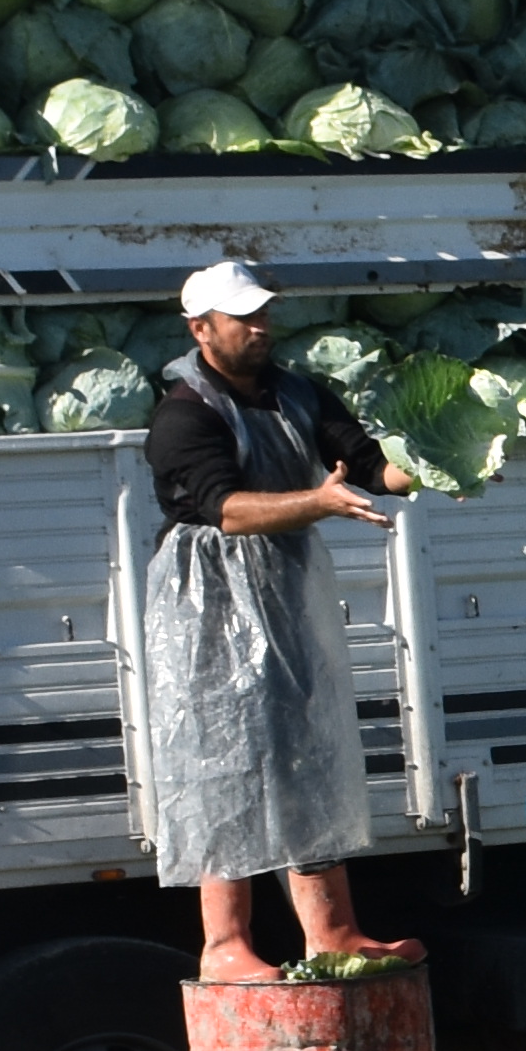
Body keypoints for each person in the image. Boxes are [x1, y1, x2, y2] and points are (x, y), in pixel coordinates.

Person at [138, 261, 412, 985]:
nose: (260, 329)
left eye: (263, 315)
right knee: (224, 759)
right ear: (201, 330)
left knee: (308, 748)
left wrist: (427, 468)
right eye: (242, 319)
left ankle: (334, 931)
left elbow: (365, 462)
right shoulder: (182, 413)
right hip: (211, 605)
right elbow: (224, 509)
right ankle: (224, 945)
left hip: (287, 595)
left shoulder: (295, 392)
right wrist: (317, 504)